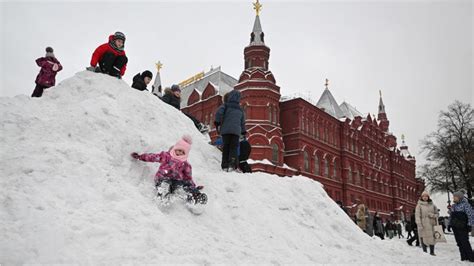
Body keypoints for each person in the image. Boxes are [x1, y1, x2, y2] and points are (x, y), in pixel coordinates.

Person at [130, 135, 206, 204]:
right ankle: (163, 195)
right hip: (163, 177)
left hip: (176, 181)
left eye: (183, 152)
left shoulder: (185, 164)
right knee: (165, 184)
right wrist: (140, 157)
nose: (180, 153)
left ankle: (194, 197)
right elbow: (152, 157)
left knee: (183, 186)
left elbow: (188, 178)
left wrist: (193, 188)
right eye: (179, 150)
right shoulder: (166, 156)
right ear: (175, 148)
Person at [215, 90, 246, 171]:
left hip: (226, 131)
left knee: (226, 147)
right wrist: (243, 132)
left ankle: (225, 165)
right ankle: (232, 164)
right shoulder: (240, 109)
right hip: (236, 132)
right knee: (234, 147)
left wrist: (217, 122)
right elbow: (242, 122)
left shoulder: (225, 105)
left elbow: (218, 113)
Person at [449, 191, 474, 262]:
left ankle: (471, 257)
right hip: (455, 227)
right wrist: (449, 224)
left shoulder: (465, 205)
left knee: (464, 242)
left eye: (454, 197)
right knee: (459, 242)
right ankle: (463, 257)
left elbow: (471, 215)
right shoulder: (453, 206)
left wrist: (469, 225)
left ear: (459, 197)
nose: (453, 198)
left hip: (463, 227)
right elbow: (451, 215)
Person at [415, 191, 439, 256]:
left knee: (432, 237)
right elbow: (417, 216)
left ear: (428, 197)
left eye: (426, 196)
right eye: (423, 196)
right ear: (422, 197)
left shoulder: (432, 205)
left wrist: (432, 215)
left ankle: (432, 252)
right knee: (423, 237)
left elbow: (437, 214)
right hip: (423, 223)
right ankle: (424, 252)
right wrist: (419, 224)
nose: (425, 197)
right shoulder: (419, 205)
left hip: (431, 223)